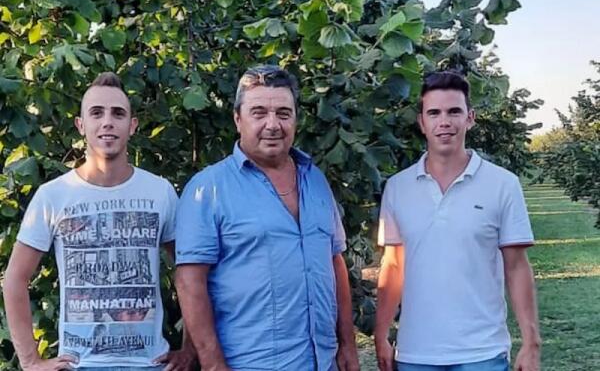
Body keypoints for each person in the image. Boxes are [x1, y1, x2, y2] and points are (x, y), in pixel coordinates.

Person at [3, 73, 196, 371]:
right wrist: (31, 362)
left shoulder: (160, 192)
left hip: (149, 364)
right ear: (81, 125)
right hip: (80, 365)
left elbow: (191, 272)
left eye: (118, 113)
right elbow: (15, 278)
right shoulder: (53, 195)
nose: (107, 122)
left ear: (132, 125)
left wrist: (190, 349)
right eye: (96, 113)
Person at [175, 65, 360, 371]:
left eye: (283, 114)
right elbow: (190, 281)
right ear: (238, 119)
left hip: (322, 362)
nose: (272, 125)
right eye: (258, 113)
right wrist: (212, 364)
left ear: (296, 119)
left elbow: (334, 262)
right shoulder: (208, 188)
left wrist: (348, 344)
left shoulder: (315, 180)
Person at [374, 71, 541, 371]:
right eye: (434, 113)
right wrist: (380, 333)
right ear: (422, 122)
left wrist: (531, 343)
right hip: (416, 354)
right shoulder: (397, 188)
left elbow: (517, 267)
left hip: (483, 353)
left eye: (454, 111)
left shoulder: (503, 184)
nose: (444, 122)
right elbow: (393, 265)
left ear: (470, 118)